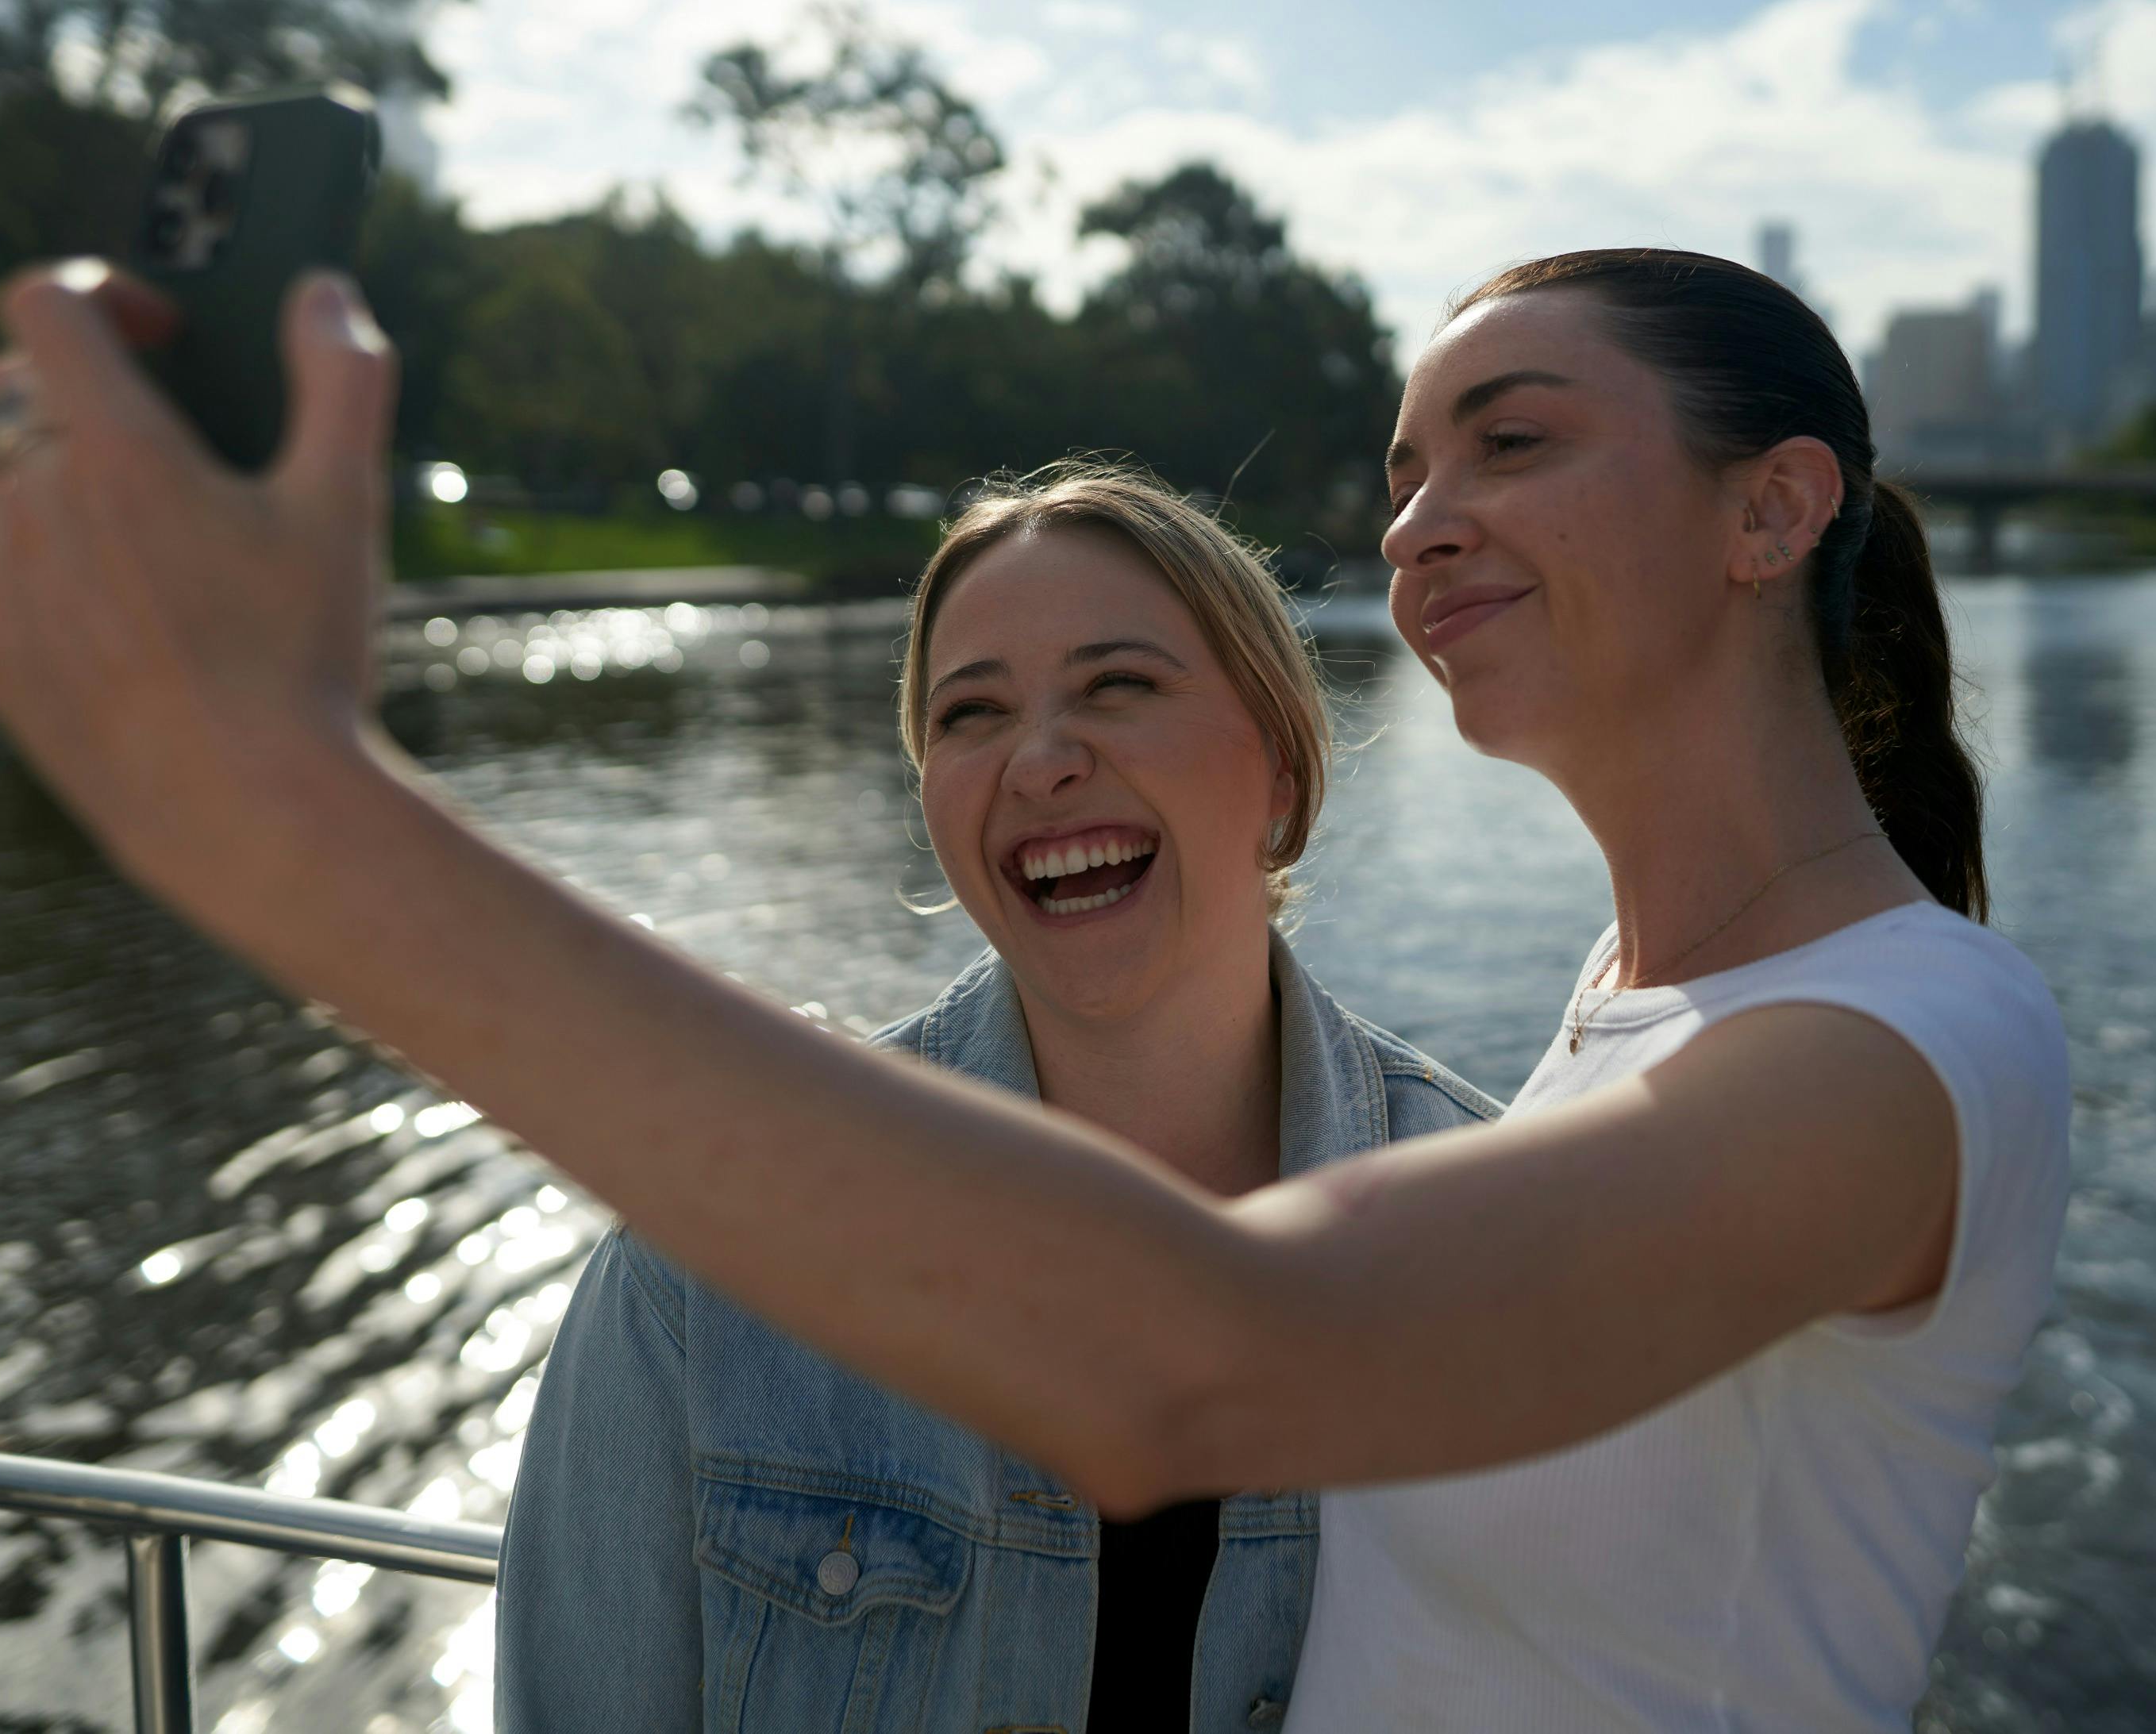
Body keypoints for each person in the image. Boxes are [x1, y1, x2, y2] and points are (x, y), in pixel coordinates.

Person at [0, 245, 2069, 1731]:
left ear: (1776, 504)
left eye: (1509, 444)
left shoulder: (1899, 1049)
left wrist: (296, 823)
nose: (1420, 522)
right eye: (1407, 469)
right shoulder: (1632, 1009)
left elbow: (1204, 1355)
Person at [493, 467, 1498, 1732]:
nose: (1040, 761)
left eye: (1117, 685)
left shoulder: (1489, 1235)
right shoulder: (708, 1274)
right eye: (971, 713)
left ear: (1283, 768)